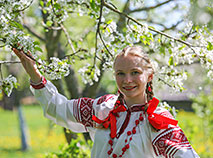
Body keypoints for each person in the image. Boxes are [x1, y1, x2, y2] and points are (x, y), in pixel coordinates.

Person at [13, 46, 199, 158]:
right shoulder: (103, 107)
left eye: (135, 72)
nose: (127, 80)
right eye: (120, 73)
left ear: (149, 76)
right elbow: (58, 108)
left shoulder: (158, 120)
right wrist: (34, 74)